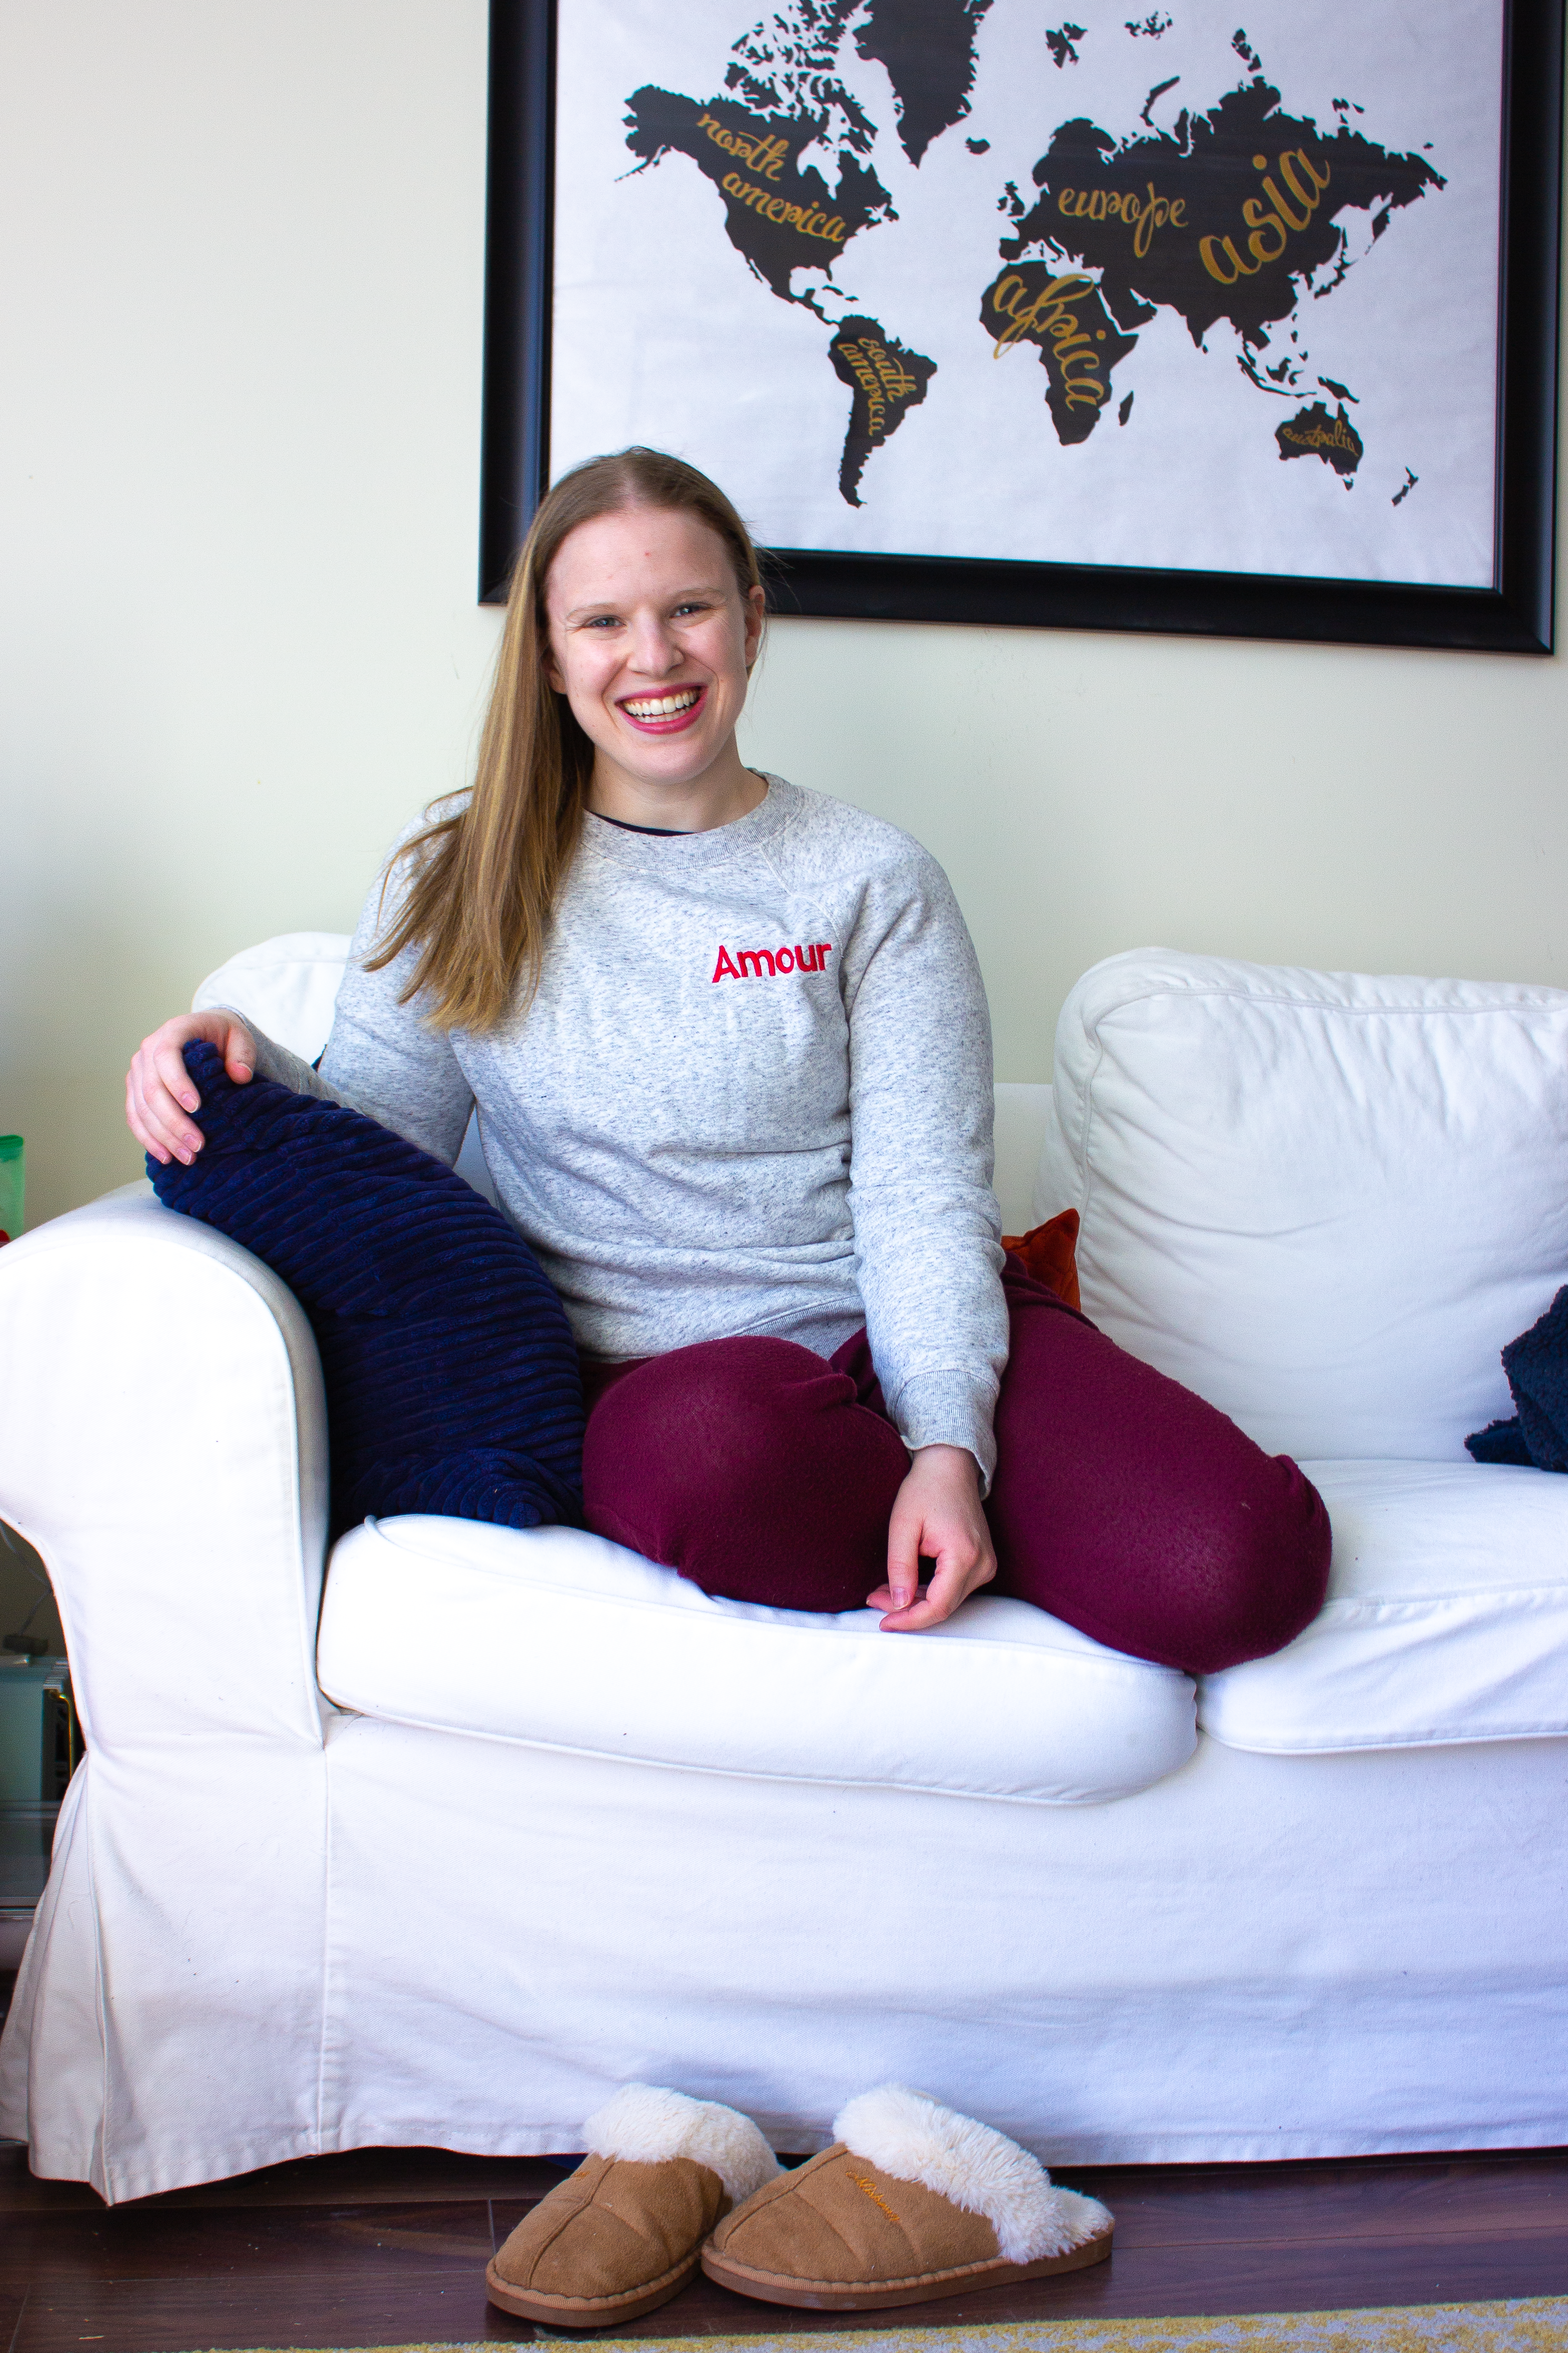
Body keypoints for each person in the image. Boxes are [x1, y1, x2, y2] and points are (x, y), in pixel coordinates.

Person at [126, 446, 1329, 1668]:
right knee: (708, 1456)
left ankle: (955, 1511)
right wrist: (247, 1067)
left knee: (1241, 1570)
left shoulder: (870, 878)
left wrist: (946, 1448)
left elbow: (918, 1197)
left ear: (750, 624)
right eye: (602, 621)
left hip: (890, 1333)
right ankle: (953, 1527)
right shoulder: (459, 872)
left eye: (688, 608)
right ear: (548, 655)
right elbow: (385, 1166)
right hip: (678, 1394)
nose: (651, 657)